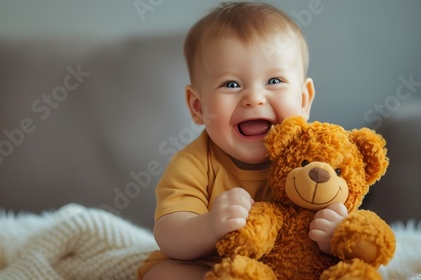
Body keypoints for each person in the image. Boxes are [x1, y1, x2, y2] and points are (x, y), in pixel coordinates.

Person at [138, 2, 348, 279]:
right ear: (198, 107)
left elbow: (341, 201)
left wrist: (335, 233)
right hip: (211, 265)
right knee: (165, 274)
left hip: (291, 265)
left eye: (274, 80)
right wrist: (210, 226)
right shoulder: (195, 162)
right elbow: (169, 234)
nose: (254, 98)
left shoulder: (316, 158)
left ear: (303, 99)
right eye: (231, 84)